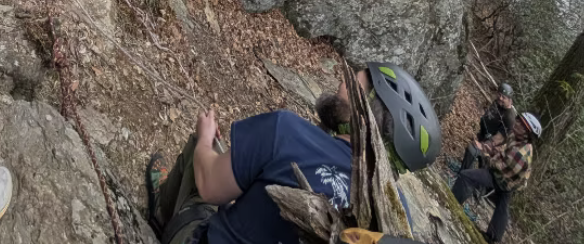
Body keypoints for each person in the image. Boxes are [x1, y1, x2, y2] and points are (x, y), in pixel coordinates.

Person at [145, 63, 442, 244]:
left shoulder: (286, 130)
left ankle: (161, 211)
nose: (342, 81)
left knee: (206, 158)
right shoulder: (393, 220)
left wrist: (204, 140)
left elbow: (209, 186)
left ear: (365, 113)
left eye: (352, 83)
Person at [451, 111, 541, 244]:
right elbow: (504, 153)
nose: (517, 125)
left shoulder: (521, 154)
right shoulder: (516, 137)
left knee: (467, 177)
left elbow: (500, 169)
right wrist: (492, 149)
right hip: (506, 174)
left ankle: (452, 203)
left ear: (528, 134)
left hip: (504, 179)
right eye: (518, 121)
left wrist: (487, 155)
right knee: (502, 205)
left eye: (522, 126)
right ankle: (493, 238)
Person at [461, 83, 516, 170]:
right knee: (474, 156)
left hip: (492, 146)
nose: (500, 98)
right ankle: (466, 175)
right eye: (499, 95)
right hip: (483, 135)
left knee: (472, 151)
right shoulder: (498, 102)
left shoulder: (510, 117)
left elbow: (498, 139)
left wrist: (483, 145)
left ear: (509, 100)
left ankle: (465, 178)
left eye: (503, 97)